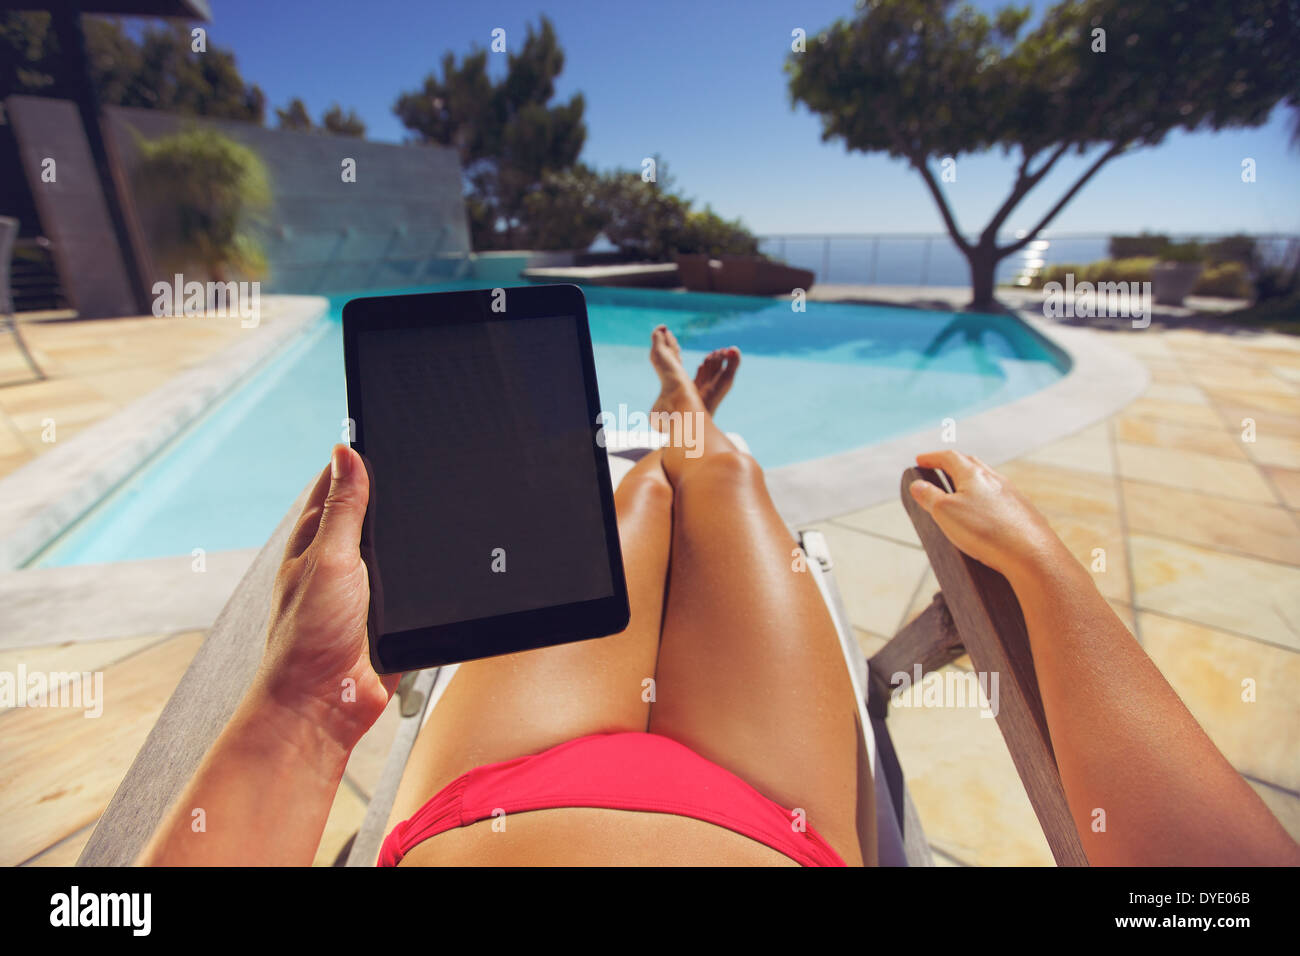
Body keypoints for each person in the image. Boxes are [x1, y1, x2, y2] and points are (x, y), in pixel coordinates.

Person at [140, 328, 1300, 867]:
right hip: (769, 816)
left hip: (495, 797)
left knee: (626, 516)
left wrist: (300, 706)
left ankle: (668, 434)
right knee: (730, 487)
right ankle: (690, 428)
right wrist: (1045, 575)